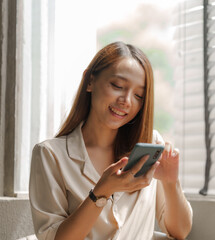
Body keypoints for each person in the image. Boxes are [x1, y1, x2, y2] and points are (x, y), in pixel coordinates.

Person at [29, 41, 193, 240]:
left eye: (139, 95)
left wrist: (170, 182)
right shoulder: (50, 155)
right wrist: (101, 192)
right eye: (117, 86)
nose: (126, 100)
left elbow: (180, 231)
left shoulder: (151, 145)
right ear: (89, 81)